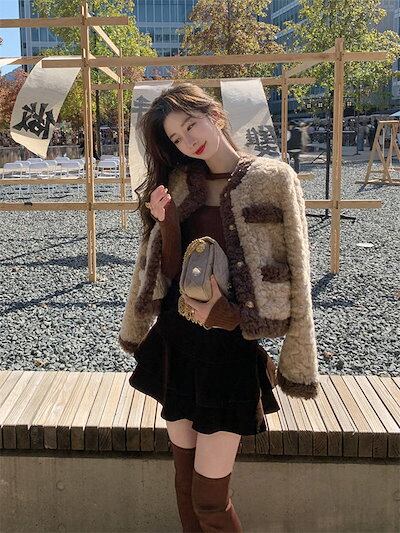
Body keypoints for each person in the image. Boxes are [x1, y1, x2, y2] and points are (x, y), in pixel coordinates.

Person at [119, 83, 319, 532]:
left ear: (214, 114)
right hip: (177, 344)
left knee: (209, 501)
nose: (188, 141)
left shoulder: (272, 178)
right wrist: (166, 221)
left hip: (230, 353)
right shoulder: (178, 182)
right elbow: (169, 271)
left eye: (191, 125)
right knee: (184, 485)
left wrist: (235, 318)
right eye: (176, 138)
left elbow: (297, 272)